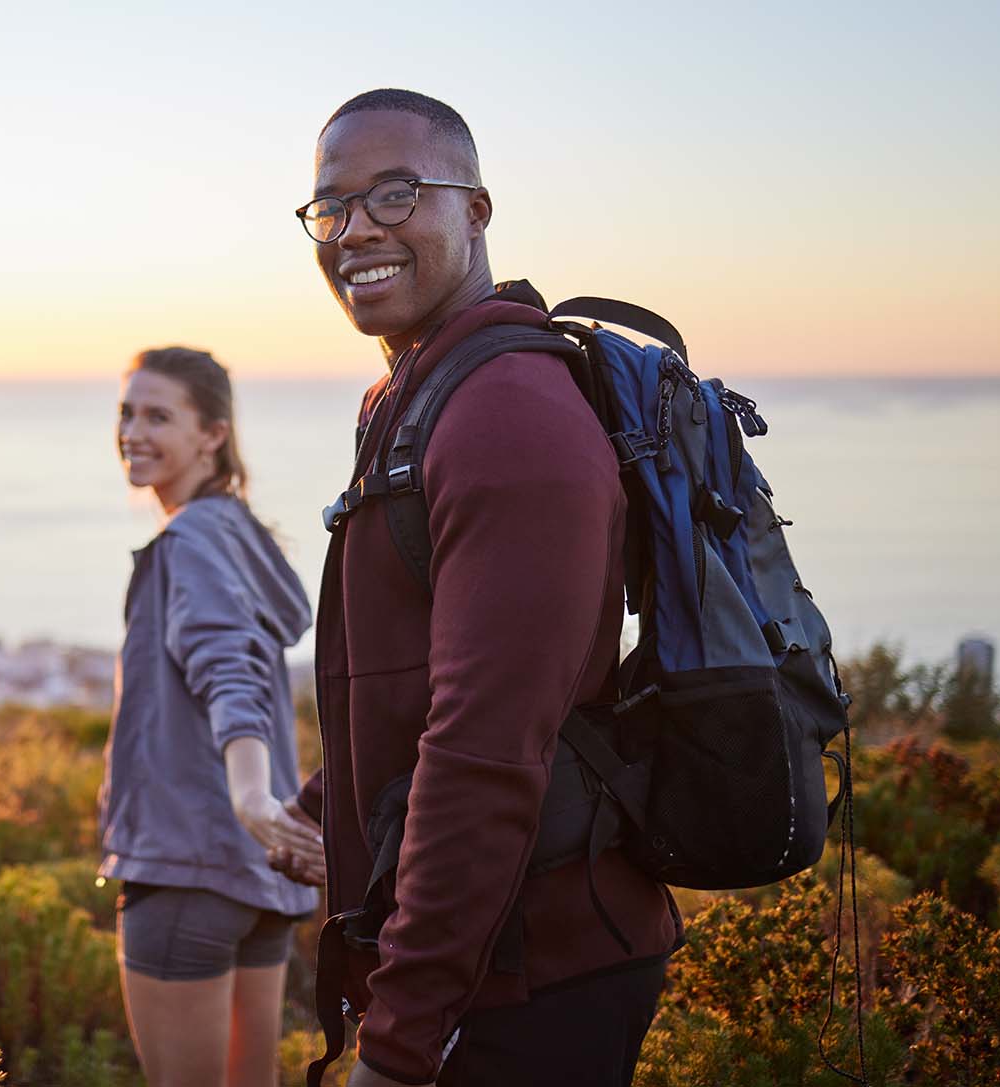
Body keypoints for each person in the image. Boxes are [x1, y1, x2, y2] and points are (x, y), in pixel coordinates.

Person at [272, 90, 683, 1087]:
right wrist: (338, 805)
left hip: (530, 979)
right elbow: (427, 672)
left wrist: (402, 1043)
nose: (356, 229)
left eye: (397, 193)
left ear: (476, 210)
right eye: (331, 207)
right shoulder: (417, 392)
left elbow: (486, 752)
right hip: (487, 962)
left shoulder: (505, 417)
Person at [99, 346, 326, 1087]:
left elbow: (226, 666)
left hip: (188, 866)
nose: (132, 430)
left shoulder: (191, 539)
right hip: (255, 879)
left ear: (212, 434)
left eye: (159, 415)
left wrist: (249, 794)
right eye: (127, 411)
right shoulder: (233, 530)